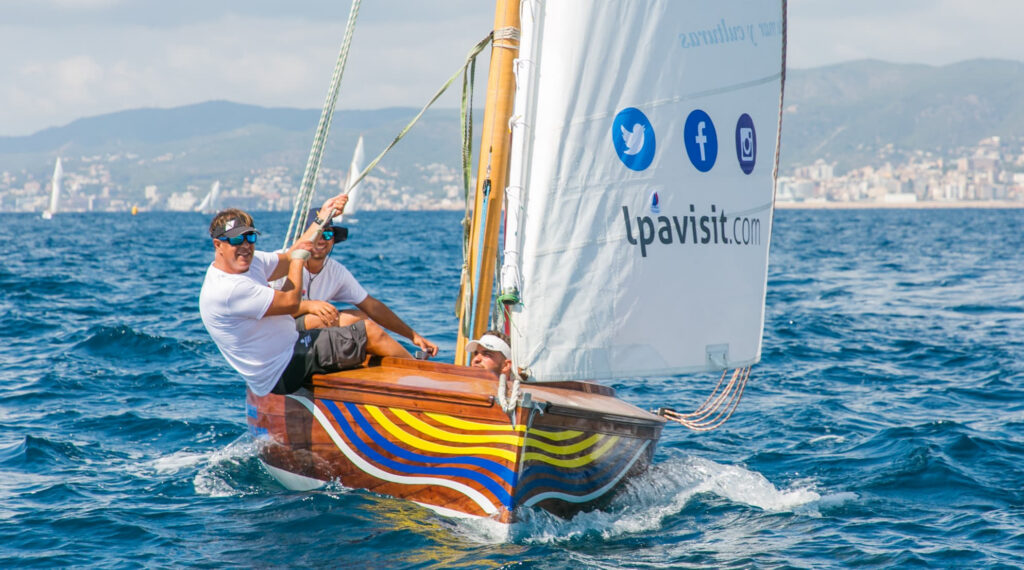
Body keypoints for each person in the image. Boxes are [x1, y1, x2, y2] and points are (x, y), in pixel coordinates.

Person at [199, 194, 407, 396]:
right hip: (283, 369)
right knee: (369, 332)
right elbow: (291, 301)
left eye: (250, 238)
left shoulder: (252, 262)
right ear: (218, 245)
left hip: (288, 348)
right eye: (236, 240)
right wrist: (298, 262)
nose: (245, 246)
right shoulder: (229, 290)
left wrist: (323, 216)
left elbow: (289, 255)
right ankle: (419, 380)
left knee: (356, 319)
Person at [280, 208, 438, 359]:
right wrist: (309, 306)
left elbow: (372, 306)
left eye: (327, 234)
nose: (321, 240)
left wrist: (413, 336)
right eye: (316, 234)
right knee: (356, 325)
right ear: (303, 238)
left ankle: (409, 366)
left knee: (361, 318)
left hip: (308, 337)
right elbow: (271, 309)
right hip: (280, 334)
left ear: (333, 239)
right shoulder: (281, 263)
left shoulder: (335, 271)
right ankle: (415, 369)